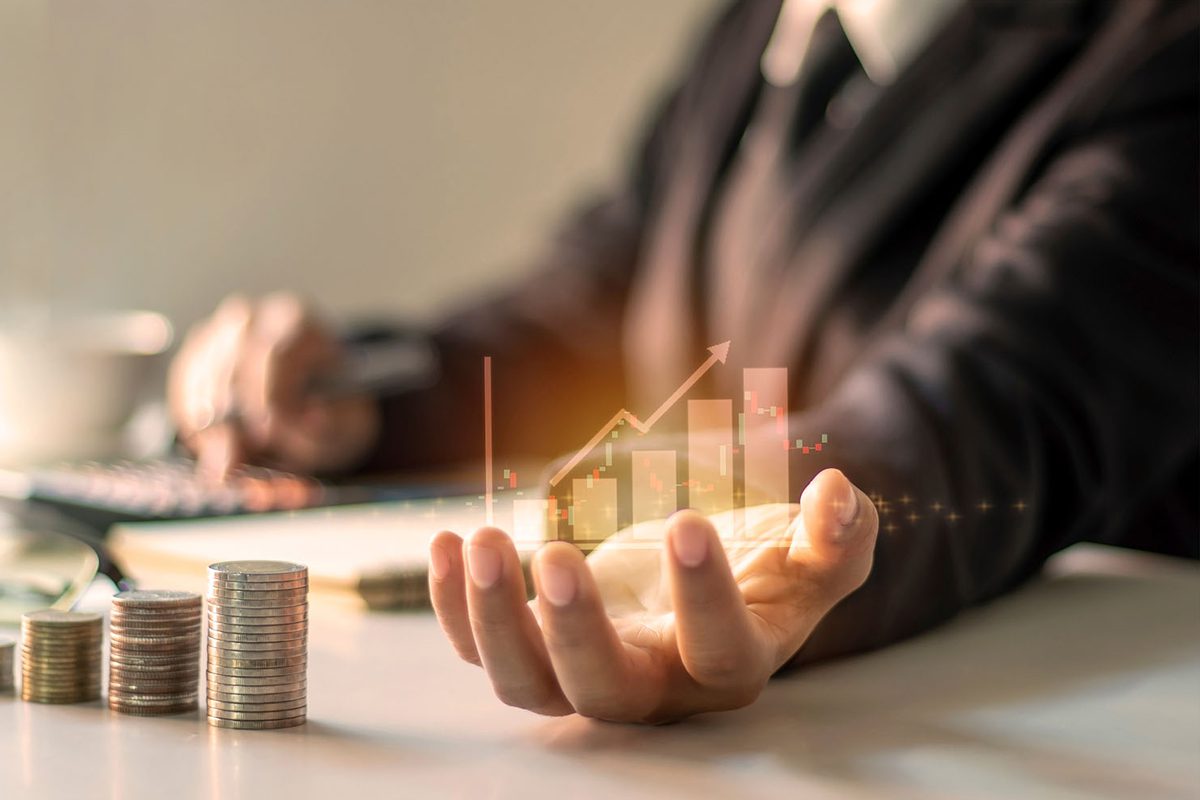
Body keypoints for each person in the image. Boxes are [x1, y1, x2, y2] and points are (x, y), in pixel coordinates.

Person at [168, 0, 1199, 723]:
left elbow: (978, 408)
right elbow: (586, 314)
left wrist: (768, 533)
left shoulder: (1164, 47)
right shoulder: (760, 27)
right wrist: (365, 396)